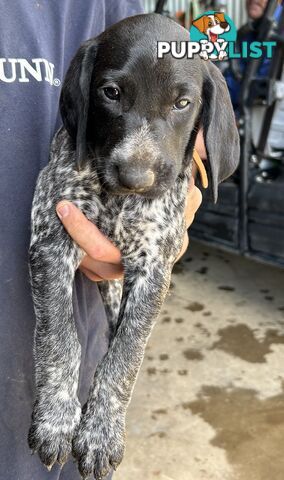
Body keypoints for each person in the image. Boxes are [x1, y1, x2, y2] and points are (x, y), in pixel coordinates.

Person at [0, 1, 204, 479]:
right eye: (113, 92)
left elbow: (190, 105)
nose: (138, 164)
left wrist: (190, 180)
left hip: (73, 334)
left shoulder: (113, 10)